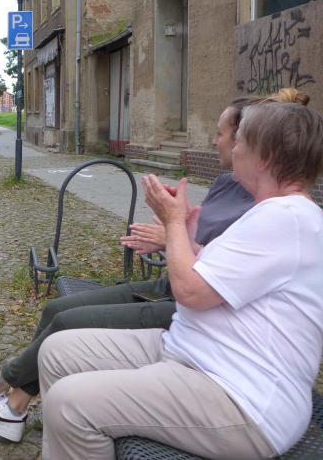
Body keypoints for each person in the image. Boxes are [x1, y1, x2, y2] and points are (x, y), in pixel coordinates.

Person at [0, 89, 309, 443]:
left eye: (226, 135)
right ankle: (12, 406)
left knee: (66, 346)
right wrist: (179, 230)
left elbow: (200, 287)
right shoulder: (234, 187)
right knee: (55, 311)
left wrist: (174, 230)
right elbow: (212, 258)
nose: (216, 141)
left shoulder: (277, 213)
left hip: (194, 324)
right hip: (183, 310)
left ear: (258, 151)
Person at [38, 98, 323, 460]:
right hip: (191, 352)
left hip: (241, 396)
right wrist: (187, 238)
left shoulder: (287, 218)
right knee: (56, 352)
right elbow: (219, 276)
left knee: (69, 405)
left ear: (264, 157)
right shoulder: (274, 213)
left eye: (239, 141)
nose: (231, 147)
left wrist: (172, 222)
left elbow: (190, 291)